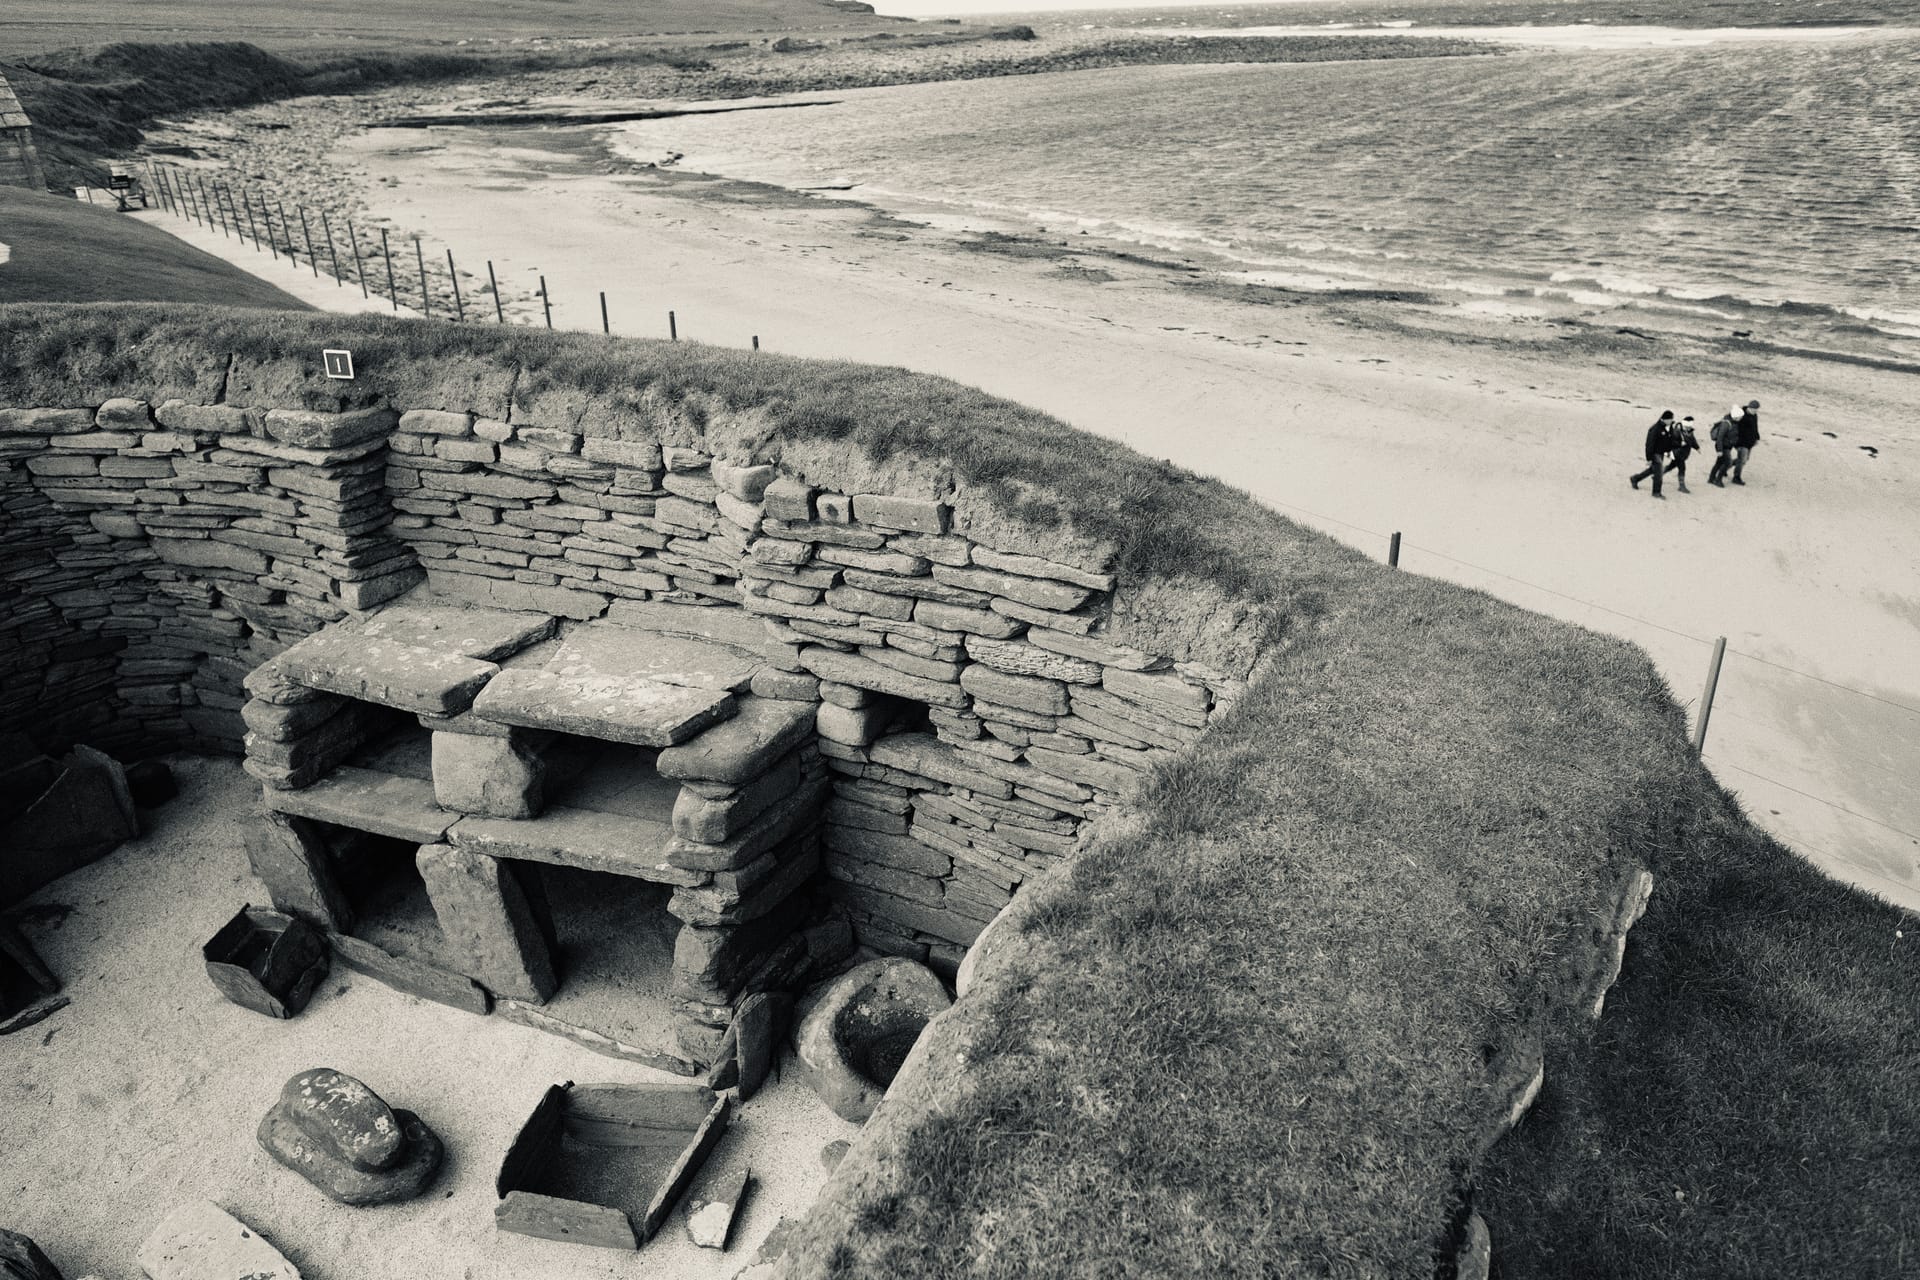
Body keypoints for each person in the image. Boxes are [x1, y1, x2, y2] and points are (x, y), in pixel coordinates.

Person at [1630, 411, 1676, 498]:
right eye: (1671, 419)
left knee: (1653, 470)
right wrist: (1649, 458)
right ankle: (1656, 492)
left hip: (1661, 453)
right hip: (1655, 454)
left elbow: (1669, 439)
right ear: (1665, 419)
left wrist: (1670, 450)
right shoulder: (1655, 429)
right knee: (1658, 473)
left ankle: (1635, 478)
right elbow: (1649, 444)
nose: (1672, 420)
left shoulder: (1668, 427)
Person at [1663, 416, 1700, 493]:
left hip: (1683, 454)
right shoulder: (1676, 431)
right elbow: (1671, 442)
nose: (1688, 428)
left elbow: (1692, 440)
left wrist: (1697, 447)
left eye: (1689, 427)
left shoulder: (1689, 431)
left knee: (1671, 466)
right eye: (1687, 427)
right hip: (1677, 454)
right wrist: (1680, 443)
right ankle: (1682, 486)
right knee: (1682, 468)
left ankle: (1658, 475)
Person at [1731, 398, 1761, 485]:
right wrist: (1737, 442)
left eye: (1756, 410)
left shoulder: (1754, 415)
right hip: (1741, 443)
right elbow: (1736, 429)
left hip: (1749, 443)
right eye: (1754, 409)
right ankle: (1736, 477)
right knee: (1742, 460)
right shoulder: (1741, 416)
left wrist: (1757, 437)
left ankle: (1725, 466)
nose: (1755, 411)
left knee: (1744, 459)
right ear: (1749, 408)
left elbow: (1755, 427)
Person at [1707, 412, 1738, 486]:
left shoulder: (1731, 422)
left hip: (1726, 446)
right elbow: (1720, 438)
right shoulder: (1726, 424)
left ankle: (1711, 478)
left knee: (1719, 463)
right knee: (1728, 463)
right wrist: (1719, 450)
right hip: (1724, 447)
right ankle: (1718, 480)